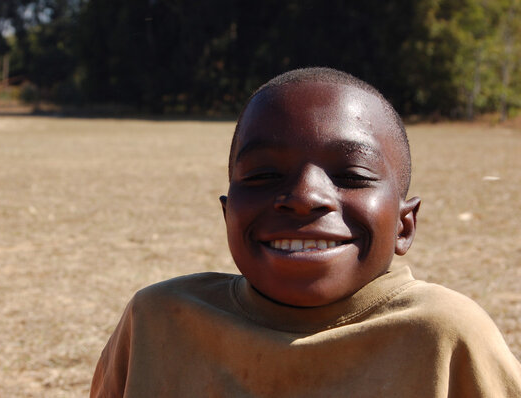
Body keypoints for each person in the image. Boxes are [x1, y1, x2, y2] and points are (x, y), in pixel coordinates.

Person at [90, 68, 521, 397]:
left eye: (351, 175)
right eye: (263, 175)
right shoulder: (159, 321)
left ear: (405, 226)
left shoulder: (445, 336)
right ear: (228, 216)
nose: (303, 197)